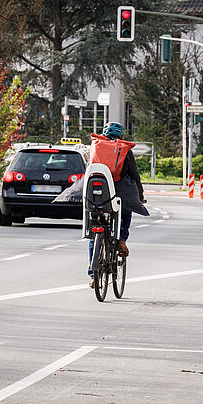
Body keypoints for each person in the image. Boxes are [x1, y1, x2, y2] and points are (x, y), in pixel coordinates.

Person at [87, 122, 148, 286]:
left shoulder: (95, 145)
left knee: (96, 229)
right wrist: (140, 195)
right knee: (127, 210)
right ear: (121, 136)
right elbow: (134, 174)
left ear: (104, 134)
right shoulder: (124, 149)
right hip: (119, 191)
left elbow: (89, 168)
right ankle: (121, 240)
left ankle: (93, 275)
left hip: (97, 191)